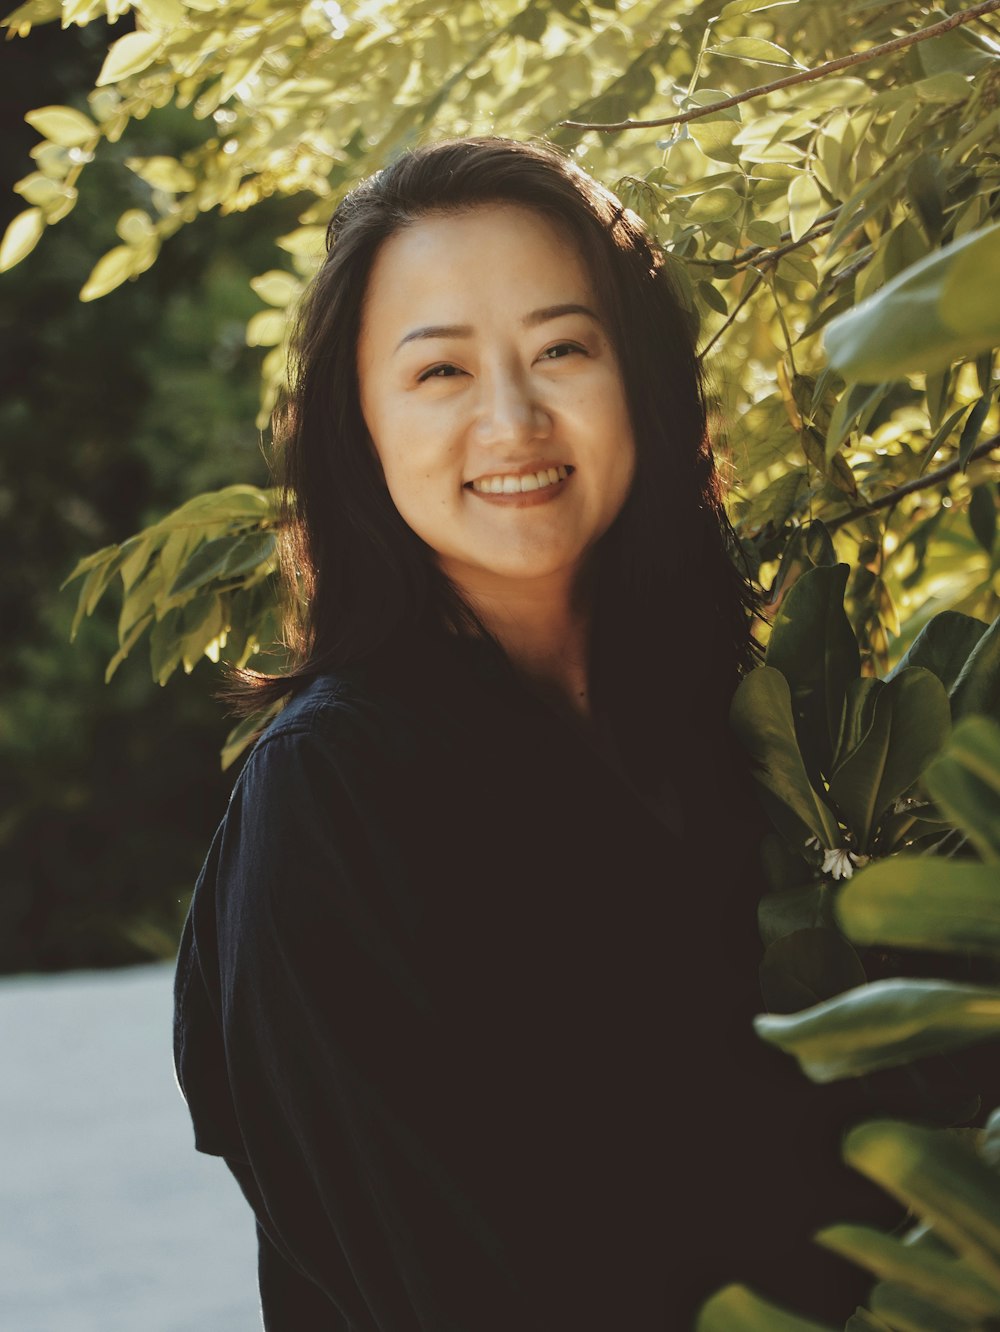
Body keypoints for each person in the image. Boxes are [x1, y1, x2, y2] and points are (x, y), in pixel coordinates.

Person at [173, 137, 894, 1330]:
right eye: (439, 371)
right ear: (356, 425)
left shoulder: (742, 733)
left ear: (642, 382)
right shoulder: (337, 792)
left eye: (562, 348)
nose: (513, 419)